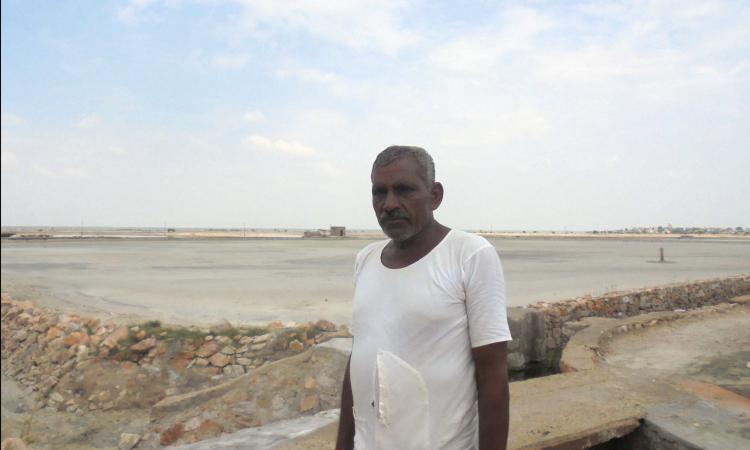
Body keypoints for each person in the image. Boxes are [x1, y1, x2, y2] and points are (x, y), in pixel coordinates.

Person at [336, 146, 512, 450]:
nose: (389, 204)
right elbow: (359, 359)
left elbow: (493, 374)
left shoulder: (469, 254)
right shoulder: (366, 259)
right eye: (380, 192)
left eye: (404, 190)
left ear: (435, 195)